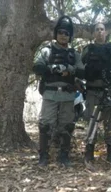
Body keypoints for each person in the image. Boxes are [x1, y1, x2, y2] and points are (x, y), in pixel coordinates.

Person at [33, 16, 85, 167]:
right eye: (61, 32)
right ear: (56, 33)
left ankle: (64, 156)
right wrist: (52, 68)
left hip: (68, 95)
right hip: (50, 93)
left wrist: (69, 70)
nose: (63, 35)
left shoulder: (74, 54)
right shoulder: (47, 50)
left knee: (67, 125)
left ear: (70, 36)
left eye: (67, 33)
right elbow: (37, 66)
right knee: (45, 125)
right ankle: (43, 156)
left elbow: (82, 71)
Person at [81, 23, 111, 165]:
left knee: (110, 122)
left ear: (106, 33)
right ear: (93, 33)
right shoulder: (87, 50)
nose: (99, 32)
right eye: (97, 30)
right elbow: (79, 67)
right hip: (92, 90)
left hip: (108, 91)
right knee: (92, 122)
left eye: (102, 29)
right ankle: (89, 152)